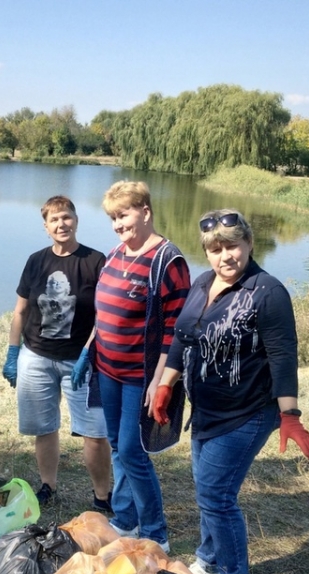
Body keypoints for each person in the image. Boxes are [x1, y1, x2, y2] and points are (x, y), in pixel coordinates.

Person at [153, 208, 309, 574]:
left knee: (217, 495)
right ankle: (209, 562)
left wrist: (290, 414)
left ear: (249, 243)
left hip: (248, 411)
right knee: (206, 489)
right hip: (206, 410)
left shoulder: (267, 291)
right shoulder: (203, 283)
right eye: (216, 248)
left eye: (233, 245)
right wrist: (165, 384)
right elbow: (181, 338)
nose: (225, 256)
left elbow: (283, 355)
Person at [91, 180, 191, 554]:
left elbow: (175, 329)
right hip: (109, 369)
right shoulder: (117, 253)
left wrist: (161, 380)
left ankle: (155, 532)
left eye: (125, 214)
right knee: (117, 444)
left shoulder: (169, 260)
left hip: (140, 376)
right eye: (114, 217)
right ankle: (124, 519)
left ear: (145, 212)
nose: (118, 224)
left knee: (134, 451)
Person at [2, 196, 113, 511]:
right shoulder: (36, 261)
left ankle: (102, 497)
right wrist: (13, 353)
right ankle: (47, 486)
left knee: (94, 432)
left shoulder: (96, 261)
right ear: (46, 226)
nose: (61, 224)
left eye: (66, 217)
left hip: (80, 361)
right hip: (35, 357)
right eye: (54, 220)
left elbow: (105, 316)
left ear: (76, 219)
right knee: (44, 427)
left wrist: (89, 353)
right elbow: (21, 311)